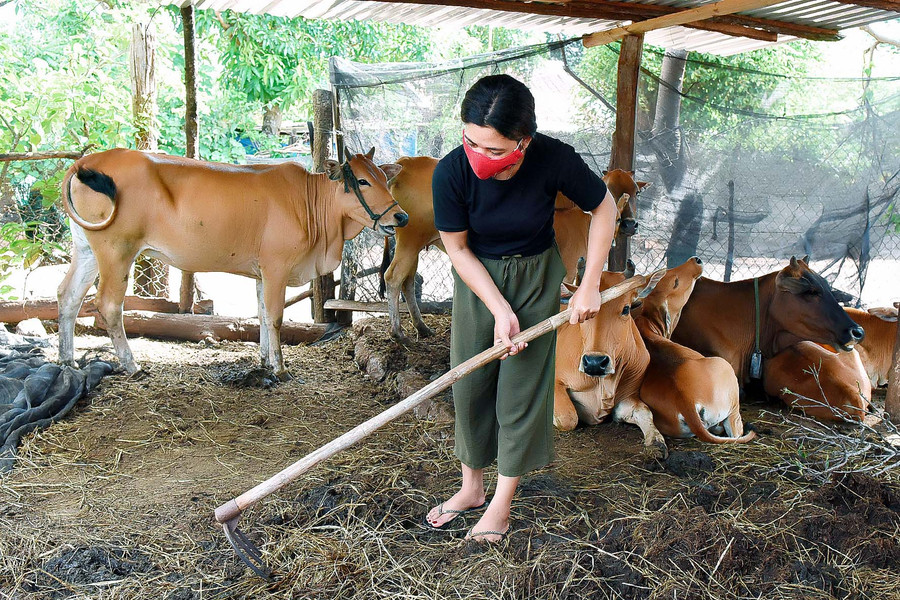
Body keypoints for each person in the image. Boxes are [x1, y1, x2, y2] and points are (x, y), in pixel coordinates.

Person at [425, 74, 617, 543]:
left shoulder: (553, 158)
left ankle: (500, 505)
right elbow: (457, 250)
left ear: (523, 141)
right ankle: (471, 488)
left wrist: (590, 284)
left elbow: (605, 208)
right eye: (471, 143)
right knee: (470, 383)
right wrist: (497, 309)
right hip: (478, 279)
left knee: (521, 388)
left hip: (534, 275)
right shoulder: (450, 172)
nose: (479, 158)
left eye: (494, 151)